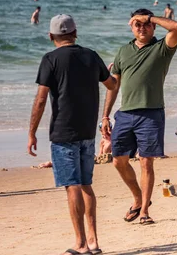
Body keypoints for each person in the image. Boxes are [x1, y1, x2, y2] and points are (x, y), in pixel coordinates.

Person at [27, 14, 116, 255]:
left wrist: (32, 132)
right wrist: (105, 113)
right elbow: (112, 84)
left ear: (51, 36)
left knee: (72, 186)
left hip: (63, 132)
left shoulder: (50, 59)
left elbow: (41, 98)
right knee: (86, 184)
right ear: (75, 33)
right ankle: (94, 241)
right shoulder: (90, 55)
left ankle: (80, 244)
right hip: (88, 130)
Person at [101, 9, 177, 225]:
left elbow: (175, 27)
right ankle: (137, 198)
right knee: (118, 161)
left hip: (151, 113)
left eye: (146, 24)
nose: (142, 28)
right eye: (137, 24)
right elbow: (114, 86)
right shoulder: (123, 51)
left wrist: (150, 17)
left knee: (146, 163)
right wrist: (105, 116)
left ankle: (144, 210)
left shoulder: (162, 48)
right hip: (125, 114)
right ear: (131, 26)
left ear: (153, 26)